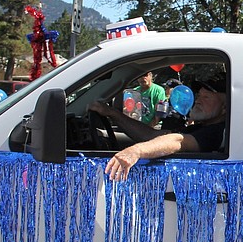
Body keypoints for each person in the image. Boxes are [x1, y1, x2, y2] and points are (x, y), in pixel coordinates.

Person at [92, 73, 228, 182]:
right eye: (199, 95)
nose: (198, 100)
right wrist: (112, 113)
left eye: (207, 97)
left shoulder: (217, 132)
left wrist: (136, 151)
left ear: (224, 108)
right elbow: (150, 136)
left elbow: (178, 141)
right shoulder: (200, 127)